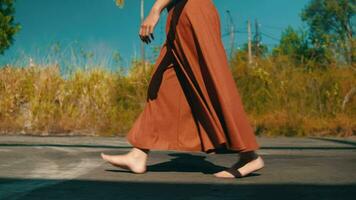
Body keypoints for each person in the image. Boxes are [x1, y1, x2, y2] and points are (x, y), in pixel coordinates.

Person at [101, 0, 264, 178]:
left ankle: (249, 155)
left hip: (193, 11)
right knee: (163, 83)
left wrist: (156, 9)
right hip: (178, 17)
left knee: (213, 81)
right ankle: (138, 154)